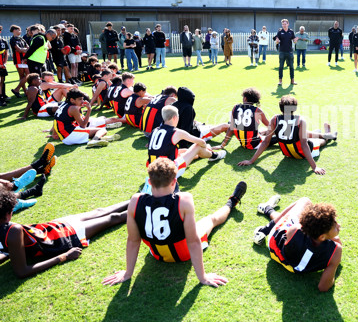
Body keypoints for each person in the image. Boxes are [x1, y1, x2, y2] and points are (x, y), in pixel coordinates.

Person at [102, 158, 244, 287]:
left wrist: (128, 273)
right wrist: (203, 277)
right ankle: (232, 202)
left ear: (149, 182)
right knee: (211, 220)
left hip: (156, 254)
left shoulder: (135, 200)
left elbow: (133, 240)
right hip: (184, 254)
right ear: (174, 182)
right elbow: (193, 242)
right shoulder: (185, 199)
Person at [0, 189, 128, 278]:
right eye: (11, 210)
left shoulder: (9, 230)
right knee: (113, 218)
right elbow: (22, 271)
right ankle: (142, 206)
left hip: (53, 226)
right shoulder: (13, 231)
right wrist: (64, 256)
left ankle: (140, 197)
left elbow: (9, 249)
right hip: (64, 237)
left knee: (101, 211)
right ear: (6, 215)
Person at [252, 196, 342, 292]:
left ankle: (266, 223)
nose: (339, 225)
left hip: (276, 252)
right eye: (335, 225)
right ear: (322, 237)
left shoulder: (295, 229)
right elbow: (323, 287)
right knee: (299, 209)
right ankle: (267, 217)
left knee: (305, 201)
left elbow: (299, 224)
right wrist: (333, 267)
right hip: (299, 270)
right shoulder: (336, 250)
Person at [238, 95, 337, 175]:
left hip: (287, 153)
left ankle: (325, 133)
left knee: (303, 133)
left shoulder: (274, 119)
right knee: (319, 142)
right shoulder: (300, 120)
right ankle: (328, 135)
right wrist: (314, 167)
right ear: (294, 108)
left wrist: (251, 161)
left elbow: (265, 142)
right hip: (302, 154)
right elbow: (304, 145)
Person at [147, 106, 226, 177]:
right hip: (168, 172)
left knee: (184, 151)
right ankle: (215, 155)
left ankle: (203, 154)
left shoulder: (155, 130)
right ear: (174, 117)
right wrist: (206, 147)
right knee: (197, 146)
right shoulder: (177, 132)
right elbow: (201, 142)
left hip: (152, 171)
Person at [53, 88, 121, 147]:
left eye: (82, 99)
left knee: (97, 128)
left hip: (66, 135)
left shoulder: (64, 104)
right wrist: (89, 110)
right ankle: (94, 140)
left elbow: (56, 120)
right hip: (69, 136)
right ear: (72, 100)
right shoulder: (73, 108)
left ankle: (100, 137)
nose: (82, 101)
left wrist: (55, 134)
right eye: (80, 99)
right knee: (102, 130)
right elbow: (83, 125)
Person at [9, 25, 30, 98]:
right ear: (14, 30)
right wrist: (24, 50)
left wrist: (23, 49)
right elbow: (18, 49)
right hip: (18, 60)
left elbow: (28, 48)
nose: (20, 31)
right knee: (23, 76)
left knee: (27, 75)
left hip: (25, 59)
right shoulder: (12, 39)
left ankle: (17, 90)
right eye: (19, 30)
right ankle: (24, 91)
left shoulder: (22, 39)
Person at [275, 19, 298, 85]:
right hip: (282, 52)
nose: (284, 25)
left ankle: (292, 81)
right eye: (283, 24)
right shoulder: (280, 32)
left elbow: (294, 41)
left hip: (290, 52)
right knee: (281, 67)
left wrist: (295, 40)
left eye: (285, 24)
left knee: (291, 67)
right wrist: (277, 41)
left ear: (288, 24)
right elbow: (277, 41)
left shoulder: (291, 32)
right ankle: (280, 81)